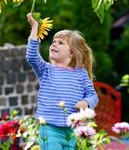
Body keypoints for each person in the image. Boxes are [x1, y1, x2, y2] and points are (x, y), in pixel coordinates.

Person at [26, 13, 99, 150]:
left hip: (74, 131)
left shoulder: (81, 74)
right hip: (50, 129)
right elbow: (32, 56)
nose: (54, 44)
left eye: (60, 43)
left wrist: (86, 102)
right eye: (53, 42)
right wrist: (35, 27)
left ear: (72, 53)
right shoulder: (46, 70)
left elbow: (93, 96)